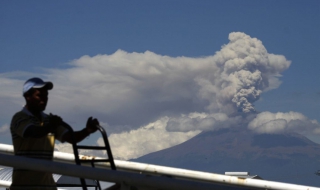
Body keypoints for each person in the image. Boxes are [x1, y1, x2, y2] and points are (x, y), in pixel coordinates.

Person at [10, 77, 99, 190]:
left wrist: (87, 131)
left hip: (48, 186)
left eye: (46, 95)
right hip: (24, 187)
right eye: (39, 95)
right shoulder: (19, 118)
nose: (44, 99)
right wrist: (52, 126)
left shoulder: (48, 120)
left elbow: (71, 138)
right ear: (28, 97)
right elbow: (33, 132)